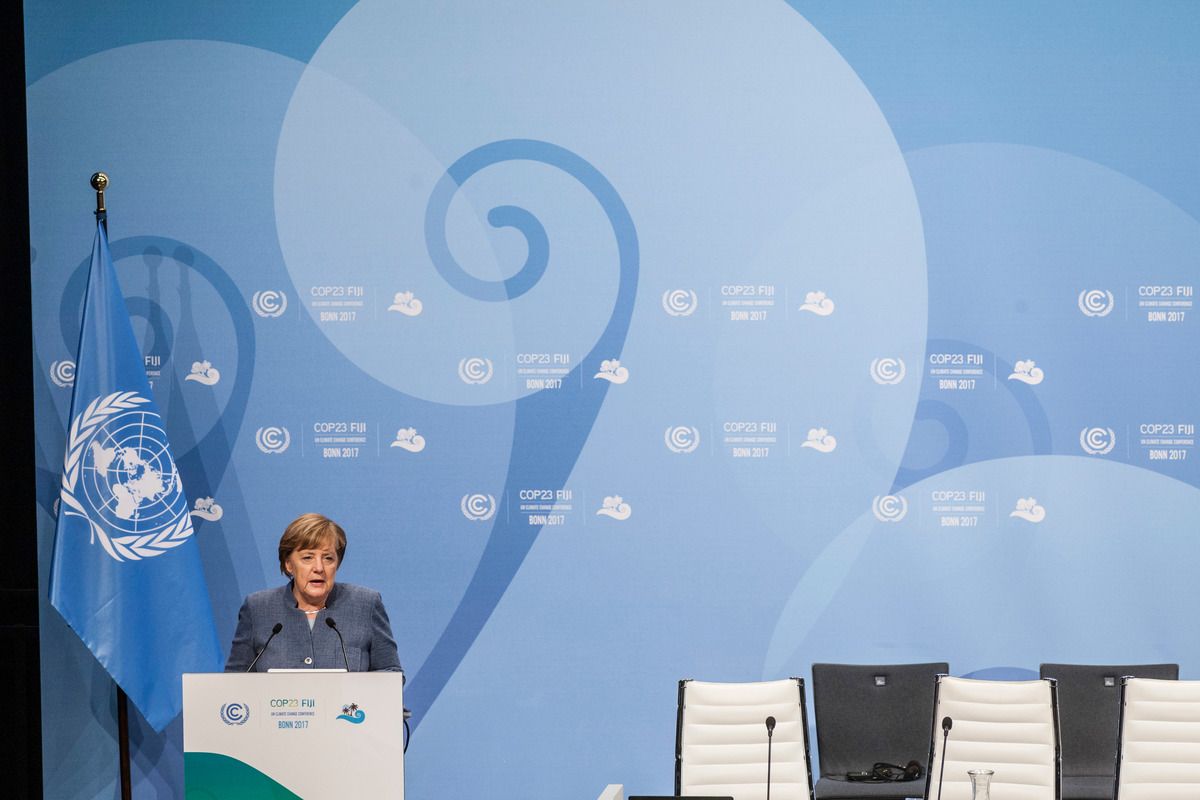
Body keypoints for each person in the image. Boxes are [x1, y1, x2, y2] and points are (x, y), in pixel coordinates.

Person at [225, 513, 402, 673]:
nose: (319, 568)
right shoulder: (258, 608)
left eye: (328, 558)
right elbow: (236, 678)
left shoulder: (365, 604)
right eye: (307, 557)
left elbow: (390, 672)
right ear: (288, 564)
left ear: (337, 564)